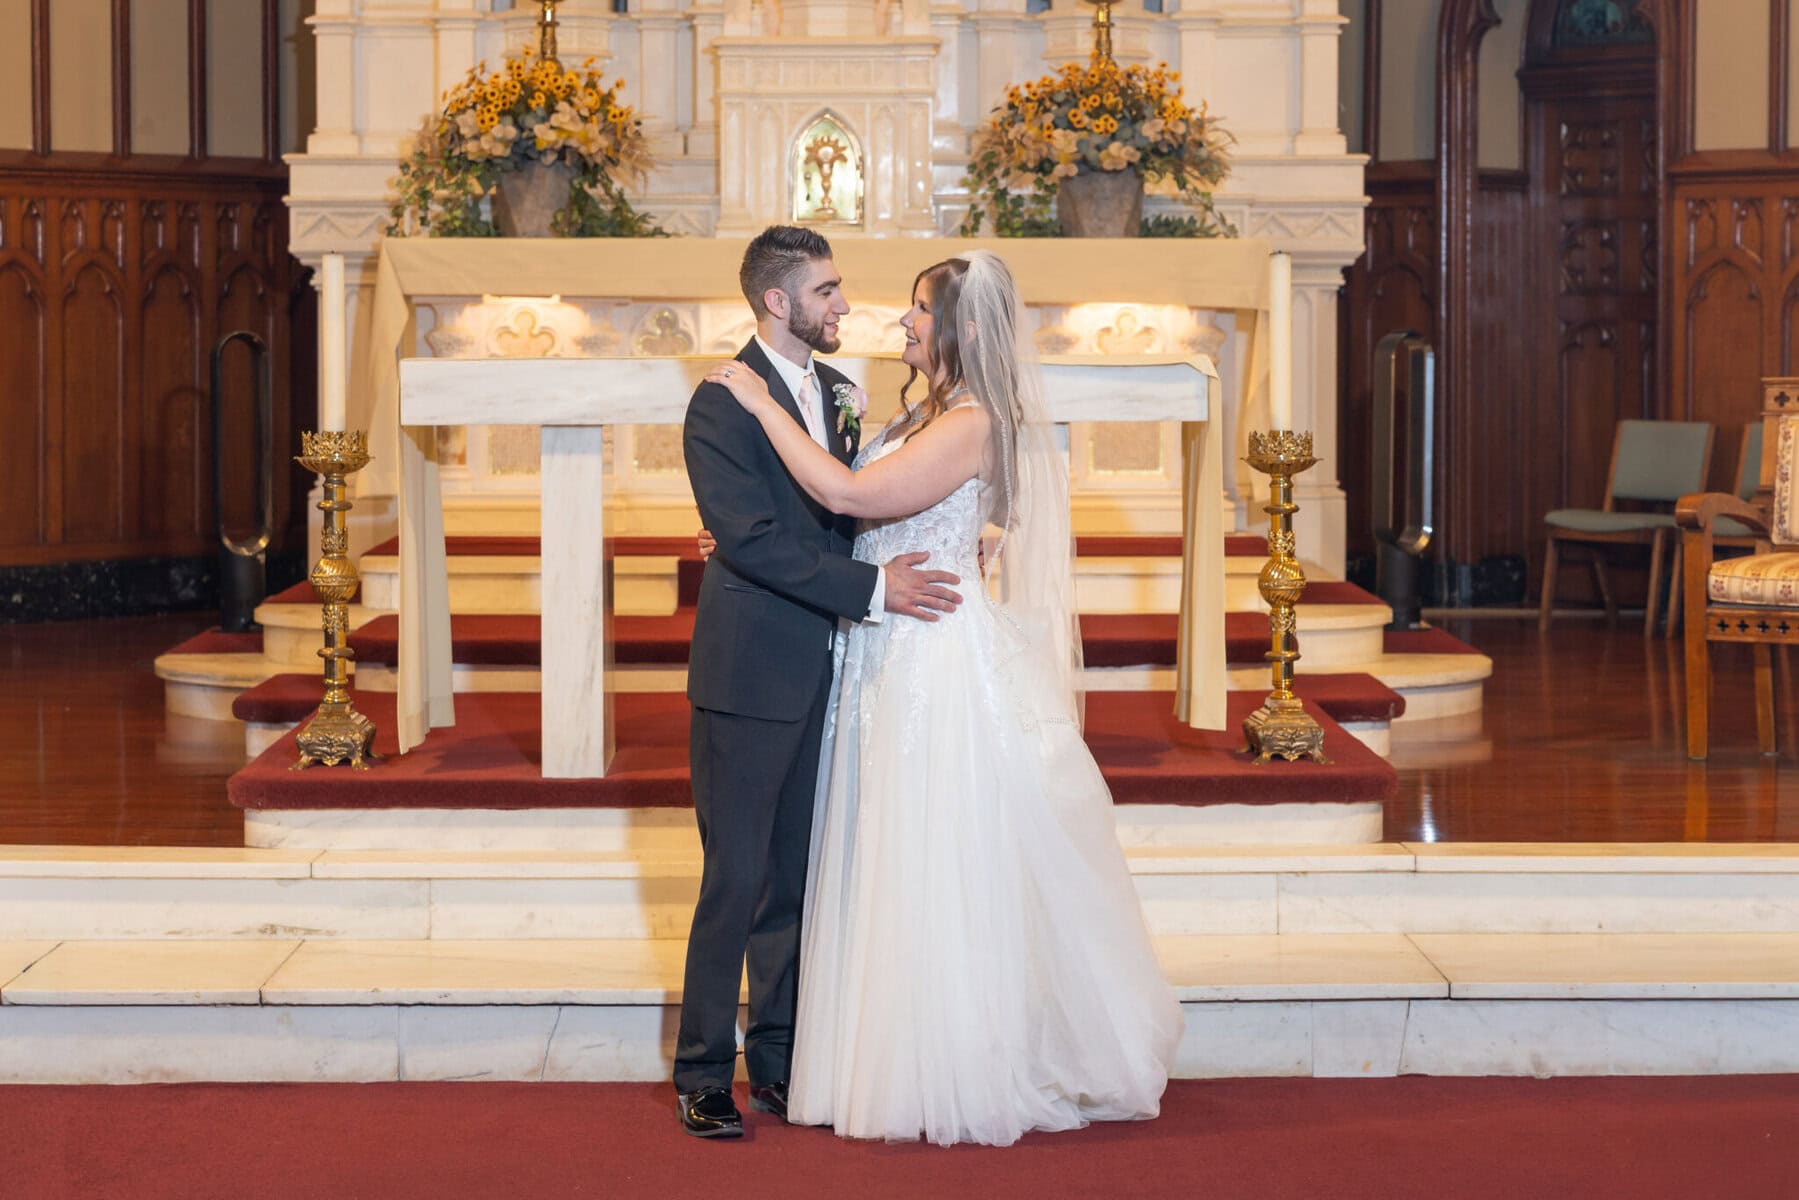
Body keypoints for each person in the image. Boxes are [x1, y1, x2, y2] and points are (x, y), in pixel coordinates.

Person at [701, 250, 1181, 1147]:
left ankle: (948, 1058)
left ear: (958, 327)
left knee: (928, 852)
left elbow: (849, 488)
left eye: (919, 309)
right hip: (878, 649)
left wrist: (762, 403)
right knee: (877, 849)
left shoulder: (968, 421)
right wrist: (742, 533)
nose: (901, 320)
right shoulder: (921, 411)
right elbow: (858, 515)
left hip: (928, 656)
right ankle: (866, 1047)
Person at [674, 226, 964, 1139]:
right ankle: (702, 1075)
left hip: (835, 668)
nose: (845, 306)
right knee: (736, 879)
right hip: (750, 669)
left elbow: (851, 507)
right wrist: (874, 587)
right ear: (778, 302)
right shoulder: (721, 403)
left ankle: (781, 1063)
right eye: (828, 291)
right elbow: (752, 540)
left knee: (797, 883)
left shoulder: (839, 393)